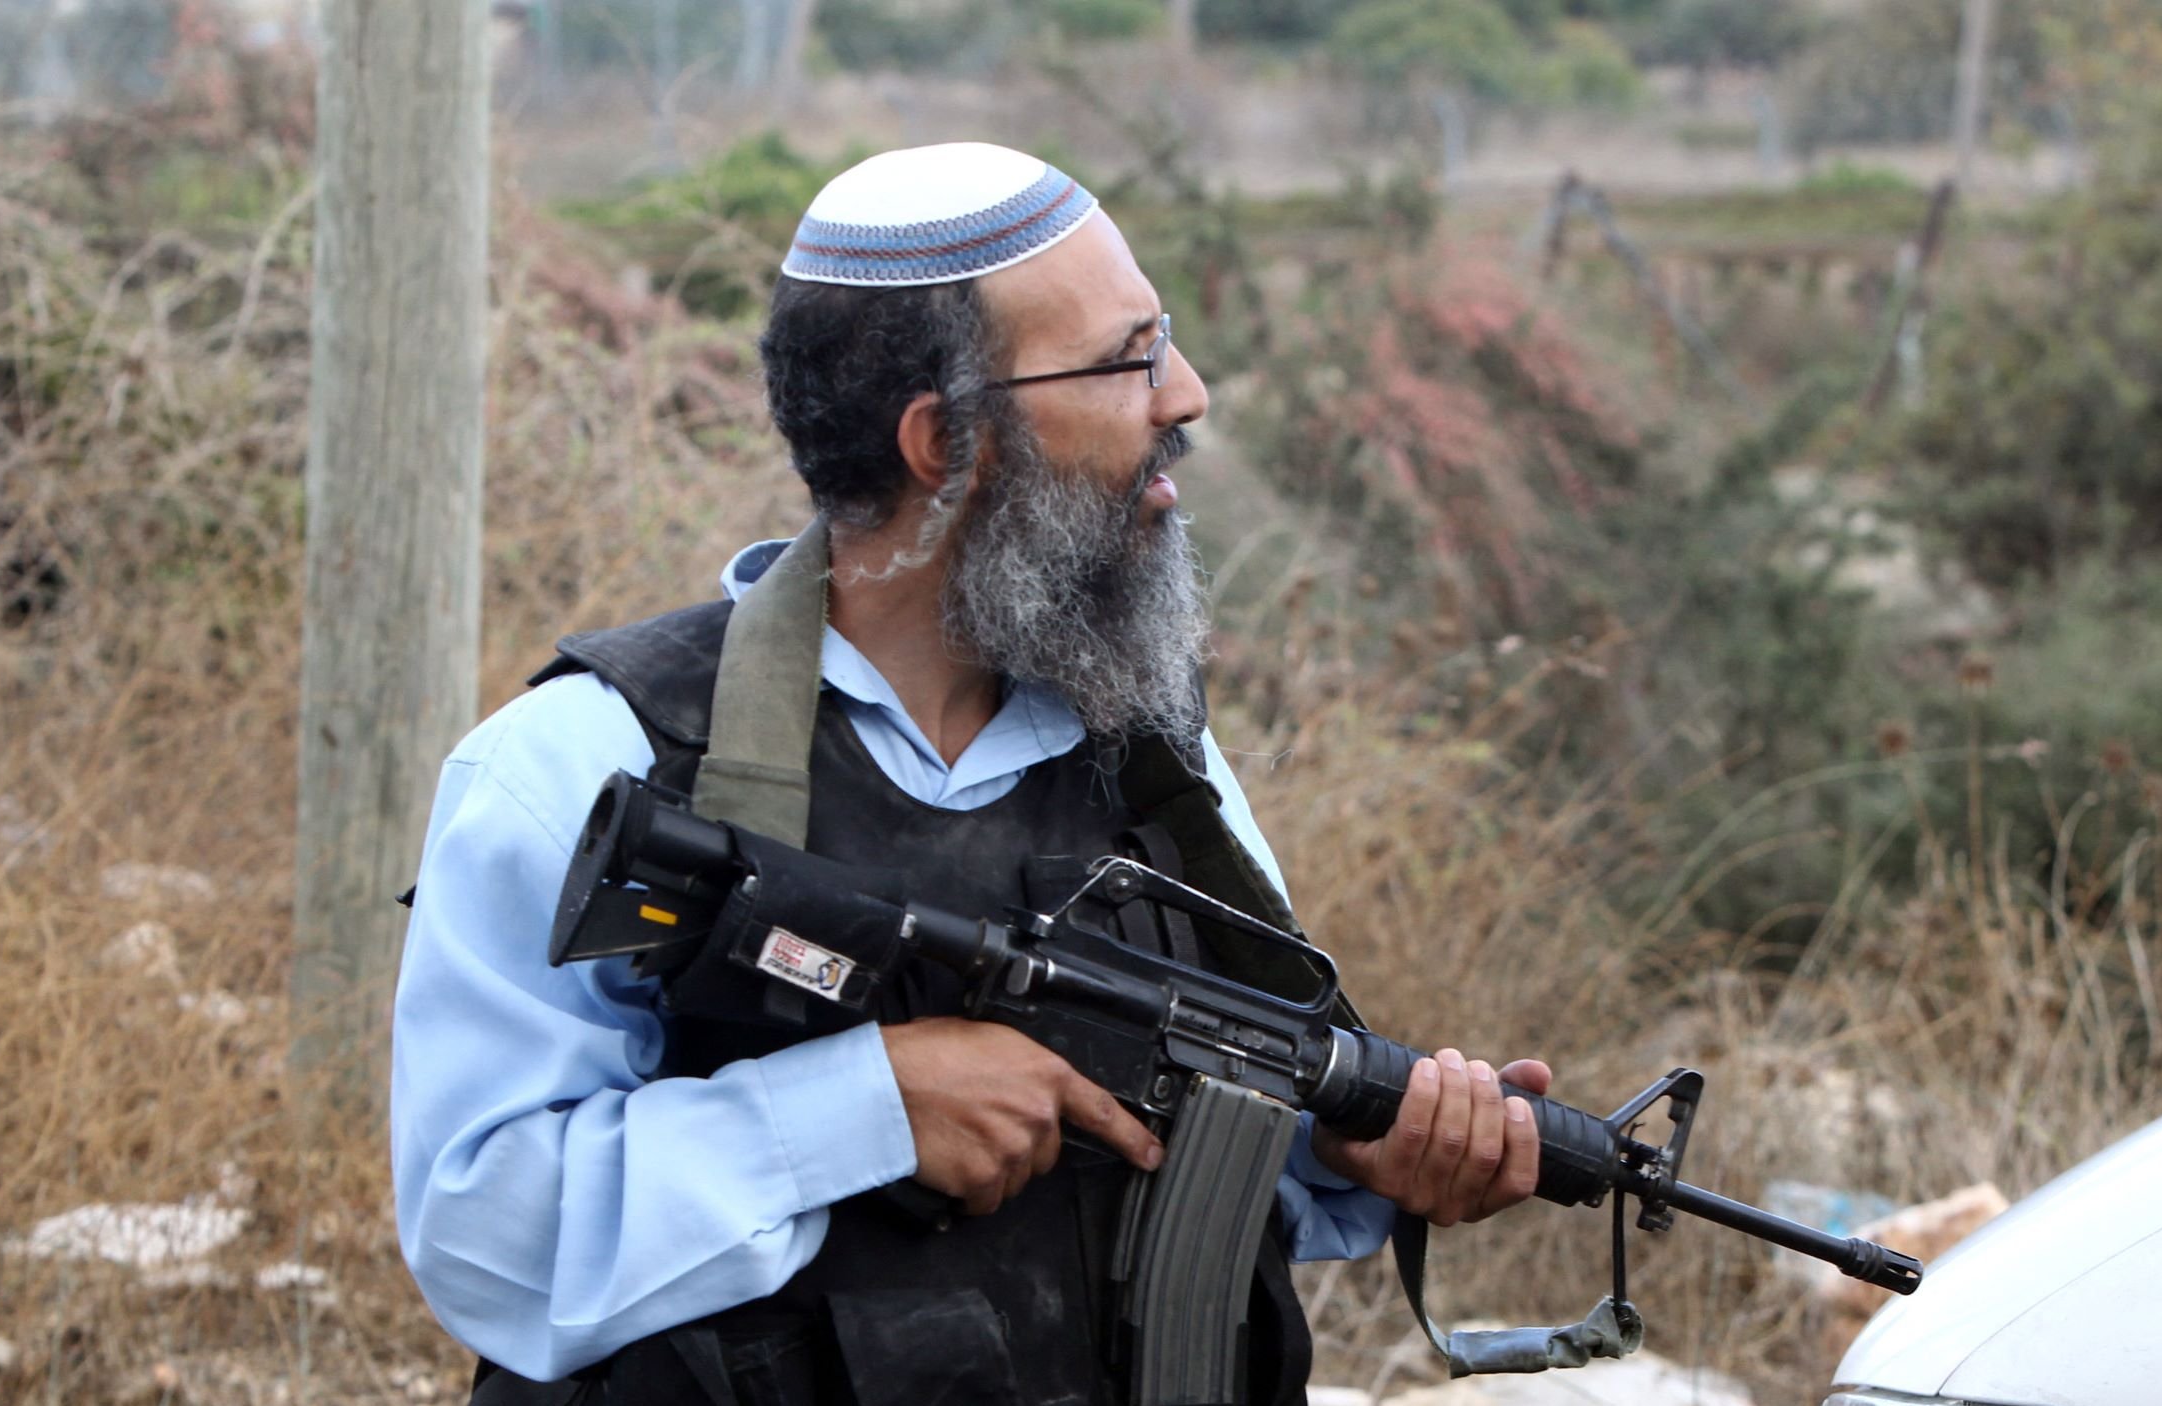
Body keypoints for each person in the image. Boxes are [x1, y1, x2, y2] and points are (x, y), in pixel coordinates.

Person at [391, 143, 1554, 1406]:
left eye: (1165, 344)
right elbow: (485, 1236)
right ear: (946, 440)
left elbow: (1182, 1141)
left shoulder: (1154, 764)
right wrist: (864, 1108)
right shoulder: (585, 761)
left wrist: (1352, 1150)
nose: (1186, 395)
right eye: (1127, 360)